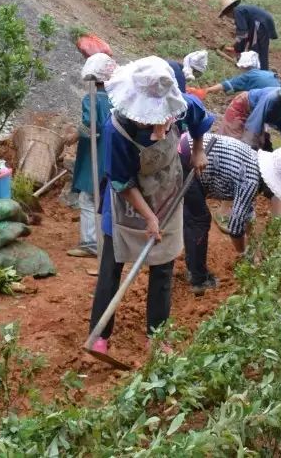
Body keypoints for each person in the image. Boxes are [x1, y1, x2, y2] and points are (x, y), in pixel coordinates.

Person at [88, 57, 211, 354]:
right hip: (126, 204)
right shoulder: (117, 130)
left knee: (163, 269)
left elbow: (200, 120)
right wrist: (148, 217)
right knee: (111, 268)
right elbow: (122, 182)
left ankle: (157, 337)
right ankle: (99, 336)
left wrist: (198, 151)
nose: (153, 123)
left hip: (166, 194)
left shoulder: (182, 107)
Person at [180, 133, 281, 284]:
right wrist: (244, 253)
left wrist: (255, 247)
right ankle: (197, 278)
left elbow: (247, 213)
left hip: (187, 147)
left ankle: (193, 270)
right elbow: (235, 228)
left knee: (194, 215)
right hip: (188, 158)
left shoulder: (254, 162)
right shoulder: (251, 181)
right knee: (199, 220)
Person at [68, 54, 115, 258]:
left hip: (96, 155)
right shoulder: (117, 99)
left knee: (88, 198)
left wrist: (72, 136)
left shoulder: (92, 99)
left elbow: (90, 126)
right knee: (108, 196)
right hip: (114, 154)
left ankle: (91, 243)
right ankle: (107, 238)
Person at [218, 0, 278, 71]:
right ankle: (261, 71)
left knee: (256, 50)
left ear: (228, 12)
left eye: (226, 15)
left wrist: (236, 47)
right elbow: (245, 35)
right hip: (262, 23)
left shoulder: (237, 12)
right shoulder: (240, 11)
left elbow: (242, 33)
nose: (228, 17)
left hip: (260, 23)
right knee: (257, 49)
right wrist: (236, 48)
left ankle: (261, 72)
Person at [202, 50, 281, 98]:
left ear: (244, 66)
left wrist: (207, 90)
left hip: (269, 101)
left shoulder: (249, 75)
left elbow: (226, 85)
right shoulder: (268, 73)